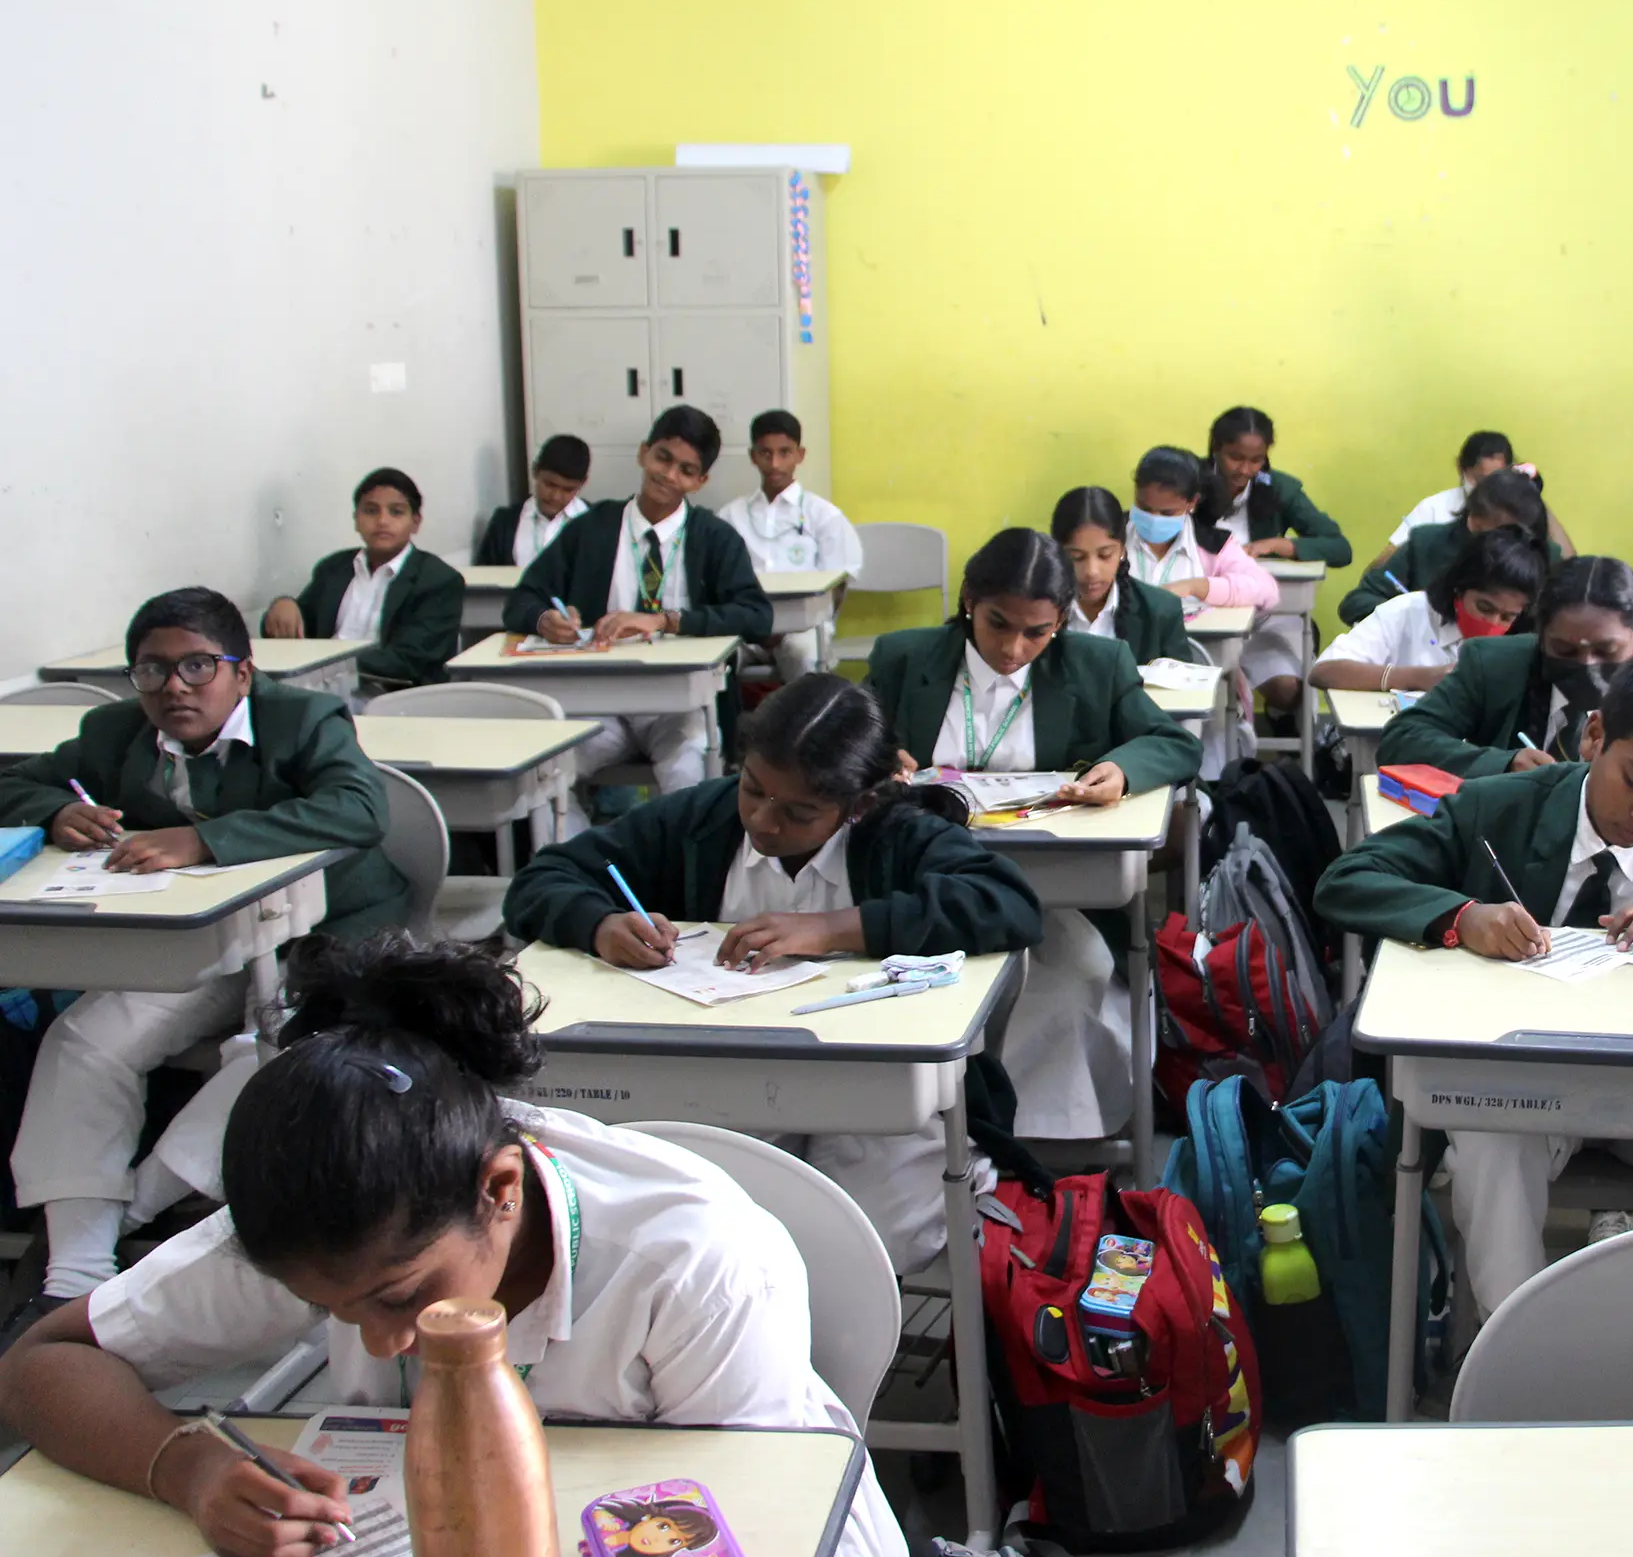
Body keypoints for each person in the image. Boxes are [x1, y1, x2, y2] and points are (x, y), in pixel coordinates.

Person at [0, 936, 908, 1557]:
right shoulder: (330, 1219)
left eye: (402, 1296)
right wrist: (186, 1467)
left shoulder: (691, 1261)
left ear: (500, 1189)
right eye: (329, 1309)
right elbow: (42, 1364)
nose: (381, 1338)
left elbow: (737, 1544)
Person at [503, 674, 1041, 1270]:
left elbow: (1006, 903)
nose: (763, 820)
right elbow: (542, 879)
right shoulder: (703, 820)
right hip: (731, 1075)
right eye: (753, 789)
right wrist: (599, 922)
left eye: (800, 812)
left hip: (878, 1088)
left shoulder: (896, 835)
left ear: (856, 805)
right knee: (707, 1228)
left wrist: (835, 928)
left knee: (855, 1246)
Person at [0, 589, 404, 1331]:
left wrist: (205, 840)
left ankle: (125, 1219)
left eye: (196, 666)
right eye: (151, 671)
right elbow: (12, 782)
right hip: (199, 942)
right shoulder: (113, 731)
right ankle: (75, 1277)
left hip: (324, 940)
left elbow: (362, 809)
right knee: (86, 1041)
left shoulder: (302, 719)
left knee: (274, 1058)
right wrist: (56, 809)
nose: (173, 687)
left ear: (242, 673)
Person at [1315, 650, 1633, 1310]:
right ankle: (1513, 1354)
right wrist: (1462, 916)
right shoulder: (1498, 808)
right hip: (1525, 1088)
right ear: (1594, 735)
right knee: (1491, 1140)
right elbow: (1346, 880)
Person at [866, 529, 1200, 1138]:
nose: (1014, 648)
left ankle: (1037, 1139)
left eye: (1037, 632)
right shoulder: (903, 658)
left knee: (1074, 975)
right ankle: (935, 1133)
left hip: (1053, 888)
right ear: (969, 600)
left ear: (1061, 621)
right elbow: (848, 750)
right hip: (929, 880)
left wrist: (1121, 769)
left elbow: (1174, 743)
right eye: (999, 625)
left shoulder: (1097, 664)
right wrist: (879, 760)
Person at [502, 406, 772, 804]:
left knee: (687, 777)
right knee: (549, 779)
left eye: (685, 469)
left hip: (680, 708)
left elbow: (756, 616)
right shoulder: (592, 527)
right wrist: (544, 620)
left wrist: (666, 621)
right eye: (663, 458)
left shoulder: (715, 537)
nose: (668, 474)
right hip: (601, 700)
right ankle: (582, 864)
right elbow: (521, 600)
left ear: (700, 481)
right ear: (644, 453)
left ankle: (675, 866)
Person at [1377, 555, 1633, 779]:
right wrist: (1504, 763)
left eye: (1605, 650)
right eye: (1565, 650)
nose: (1586, 664)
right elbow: (1403, 738)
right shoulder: (1496, 664)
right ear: (1541, 639)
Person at [1203, 406, 1351, 727]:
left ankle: (1283, 727)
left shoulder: (1279, 488)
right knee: (1207, 692)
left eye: (1256, 460)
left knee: (1289, 689)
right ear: (1216, 448)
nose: (1245, 469)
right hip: (1203, 614)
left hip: (1263, 615)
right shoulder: (1190, 485)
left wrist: (1282, 545)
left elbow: (1340, 548)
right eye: (1235, 457)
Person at [261, 468, 465, 694]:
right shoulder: (334, 568)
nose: (382, 521)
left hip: (391, 692)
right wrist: (283, 606)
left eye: (396, 512)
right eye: (370, 511)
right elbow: (297, 630)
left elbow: (407, 661)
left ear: (415, 522)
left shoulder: (438, 580)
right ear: (356, 519)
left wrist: (330, 666)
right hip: (321, 685)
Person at [1308, 526, 1548, 695]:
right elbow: (1324, 671)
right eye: (1484, 607)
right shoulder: (1409, 612)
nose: (1493, 622)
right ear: (1459, 588)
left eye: (1507, 617)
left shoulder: (1526, 642)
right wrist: (1418, 678)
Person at [716, 409, 863, 682]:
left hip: (802, 629)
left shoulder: (823, 515)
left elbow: (837, 586)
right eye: (765, 453)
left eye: (785, 452)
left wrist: (794, 624)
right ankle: (730, 724)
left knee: (802, 653)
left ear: (800, 454)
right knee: (713, 659)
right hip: (744, 627)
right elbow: (717, 582)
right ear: (752, 456)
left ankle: (807, 724)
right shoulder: (730, 516)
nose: (774, 464)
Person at [1339, 470, 1555, 627]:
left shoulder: (1543, 560)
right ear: (1473, 521)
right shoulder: (1427, 543)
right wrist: (1418, 617)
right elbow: (1357, 603)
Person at [1374, 430, 1579, 563]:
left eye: (1495, 478)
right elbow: (1380, 567)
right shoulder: (1434, 508)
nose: (1486, 488)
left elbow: (1568, 561)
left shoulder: (1519, 512)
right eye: (1480, 479)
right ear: (1461, 469)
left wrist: (1532, 496)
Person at [1130, 447, 1280, 614]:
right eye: (1144, 508)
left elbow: (1266, 589)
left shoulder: (1213, 545)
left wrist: (1196, 586)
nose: (1153, 518)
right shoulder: (1114, 534)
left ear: (1192, 503)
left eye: (1167, 513)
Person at [1050, 486, 1191, 664]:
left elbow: (1184, 688)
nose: (1091, 571)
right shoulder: (1037, 608)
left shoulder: (1160, 610)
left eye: (1105, 555)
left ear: (1122, 550)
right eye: (1076, 557)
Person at [475, 434, 593, 567]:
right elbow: (484, 580)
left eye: (568, 490)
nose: (555, 496)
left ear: (583, 483)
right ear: (535, 471)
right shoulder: (504, 523)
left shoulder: (597, 524)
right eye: (549, 484)